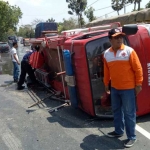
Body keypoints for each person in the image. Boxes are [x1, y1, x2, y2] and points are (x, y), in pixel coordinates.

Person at [103, 28, 143, 148]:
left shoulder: (129, 51)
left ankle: (132, 137)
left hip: (128, 89)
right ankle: (118, 131)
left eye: (120, 37)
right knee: (116, 111)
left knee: (129, 113)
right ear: (110, 39)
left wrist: (139, 84)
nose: (120, 39)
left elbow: (138, 69)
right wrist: (106, 84)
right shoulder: (106, 54)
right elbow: (106, 71)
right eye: (116, 37)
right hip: (115, 88)